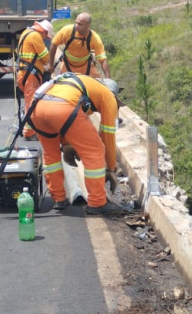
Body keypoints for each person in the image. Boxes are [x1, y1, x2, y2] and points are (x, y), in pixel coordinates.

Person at [28, 73, 122, 215]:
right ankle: (97, 203)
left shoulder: (80, 83)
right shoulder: (108, 96)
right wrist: (110, 168)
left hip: (37, 109)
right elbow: (108, 134)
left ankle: (58, 199)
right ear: (113, 93)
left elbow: (60, 114)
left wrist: (66, 144)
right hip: (61, 108)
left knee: (51, 156)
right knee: (95, 151)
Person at [16, 19, 54, 140]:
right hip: (30, 75)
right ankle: (29, 132)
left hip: (25, 73)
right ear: (43, 31)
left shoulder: (26, 33)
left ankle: (29, 128)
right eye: (45, 36)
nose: (44, 38)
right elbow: (45, 57)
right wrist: (49, 66)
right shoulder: (35, 36)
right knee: (31, 104)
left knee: (30, 102)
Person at [46, 13, 109, 79]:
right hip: (67, 66)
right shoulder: (67, 31)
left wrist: (108, 79)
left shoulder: (94, 38)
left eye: (80, 24)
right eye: (76, 23)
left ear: (88, 26)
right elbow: (54, 44)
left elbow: (103, 59)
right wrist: (51, 65)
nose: (76, 26)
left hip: (86, 67)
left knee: (98, 86)